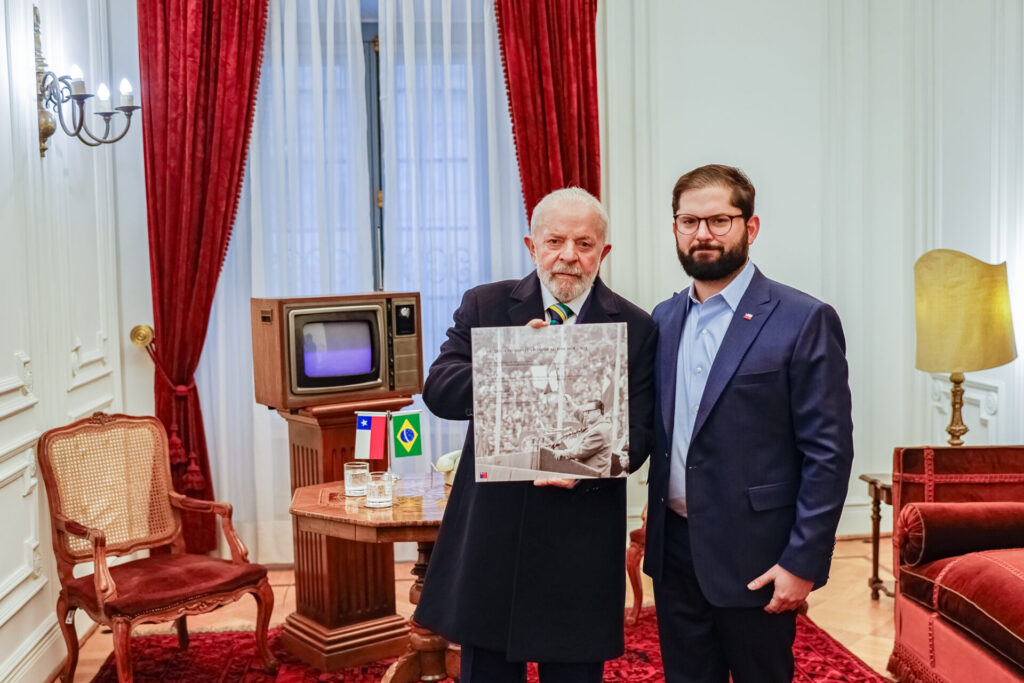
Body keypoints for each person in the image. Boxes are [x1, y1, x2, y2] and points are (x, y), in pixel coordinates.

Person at [413, 187, 657, 683]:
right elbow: (438, 391)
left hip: (581, 534)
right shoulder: (486, 304)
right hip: (493, 531)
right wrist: (511, 363)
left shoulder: (636, 326)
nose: (569, 256)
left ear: (603, 252)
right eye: (556, 241)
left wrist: (582, 471)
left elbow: (643, 431)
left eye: (585, 244)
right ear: (532, 245)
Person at [644, 164, 855, 682]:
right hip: (675, 555)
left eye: (719, 220)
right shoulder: (663, 320)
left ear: (750, 228)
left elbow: (828, 452)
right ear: (674, 228)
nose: (703, 234)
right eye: (690, 221)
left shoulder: (802, 319)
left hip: (757, 555)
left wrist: (802, 562)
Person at [552, 400, 614, 476]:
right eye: (584, 412)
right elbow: (583, 418)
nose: (585, 414)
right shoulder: (598, 424)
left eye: (588, 412)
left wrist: (563, 452)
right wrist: (572, 406)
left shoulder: (599, 431)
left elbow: (581, 452)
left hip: (594, 476)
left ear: (597, 412)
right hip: (589, 473)